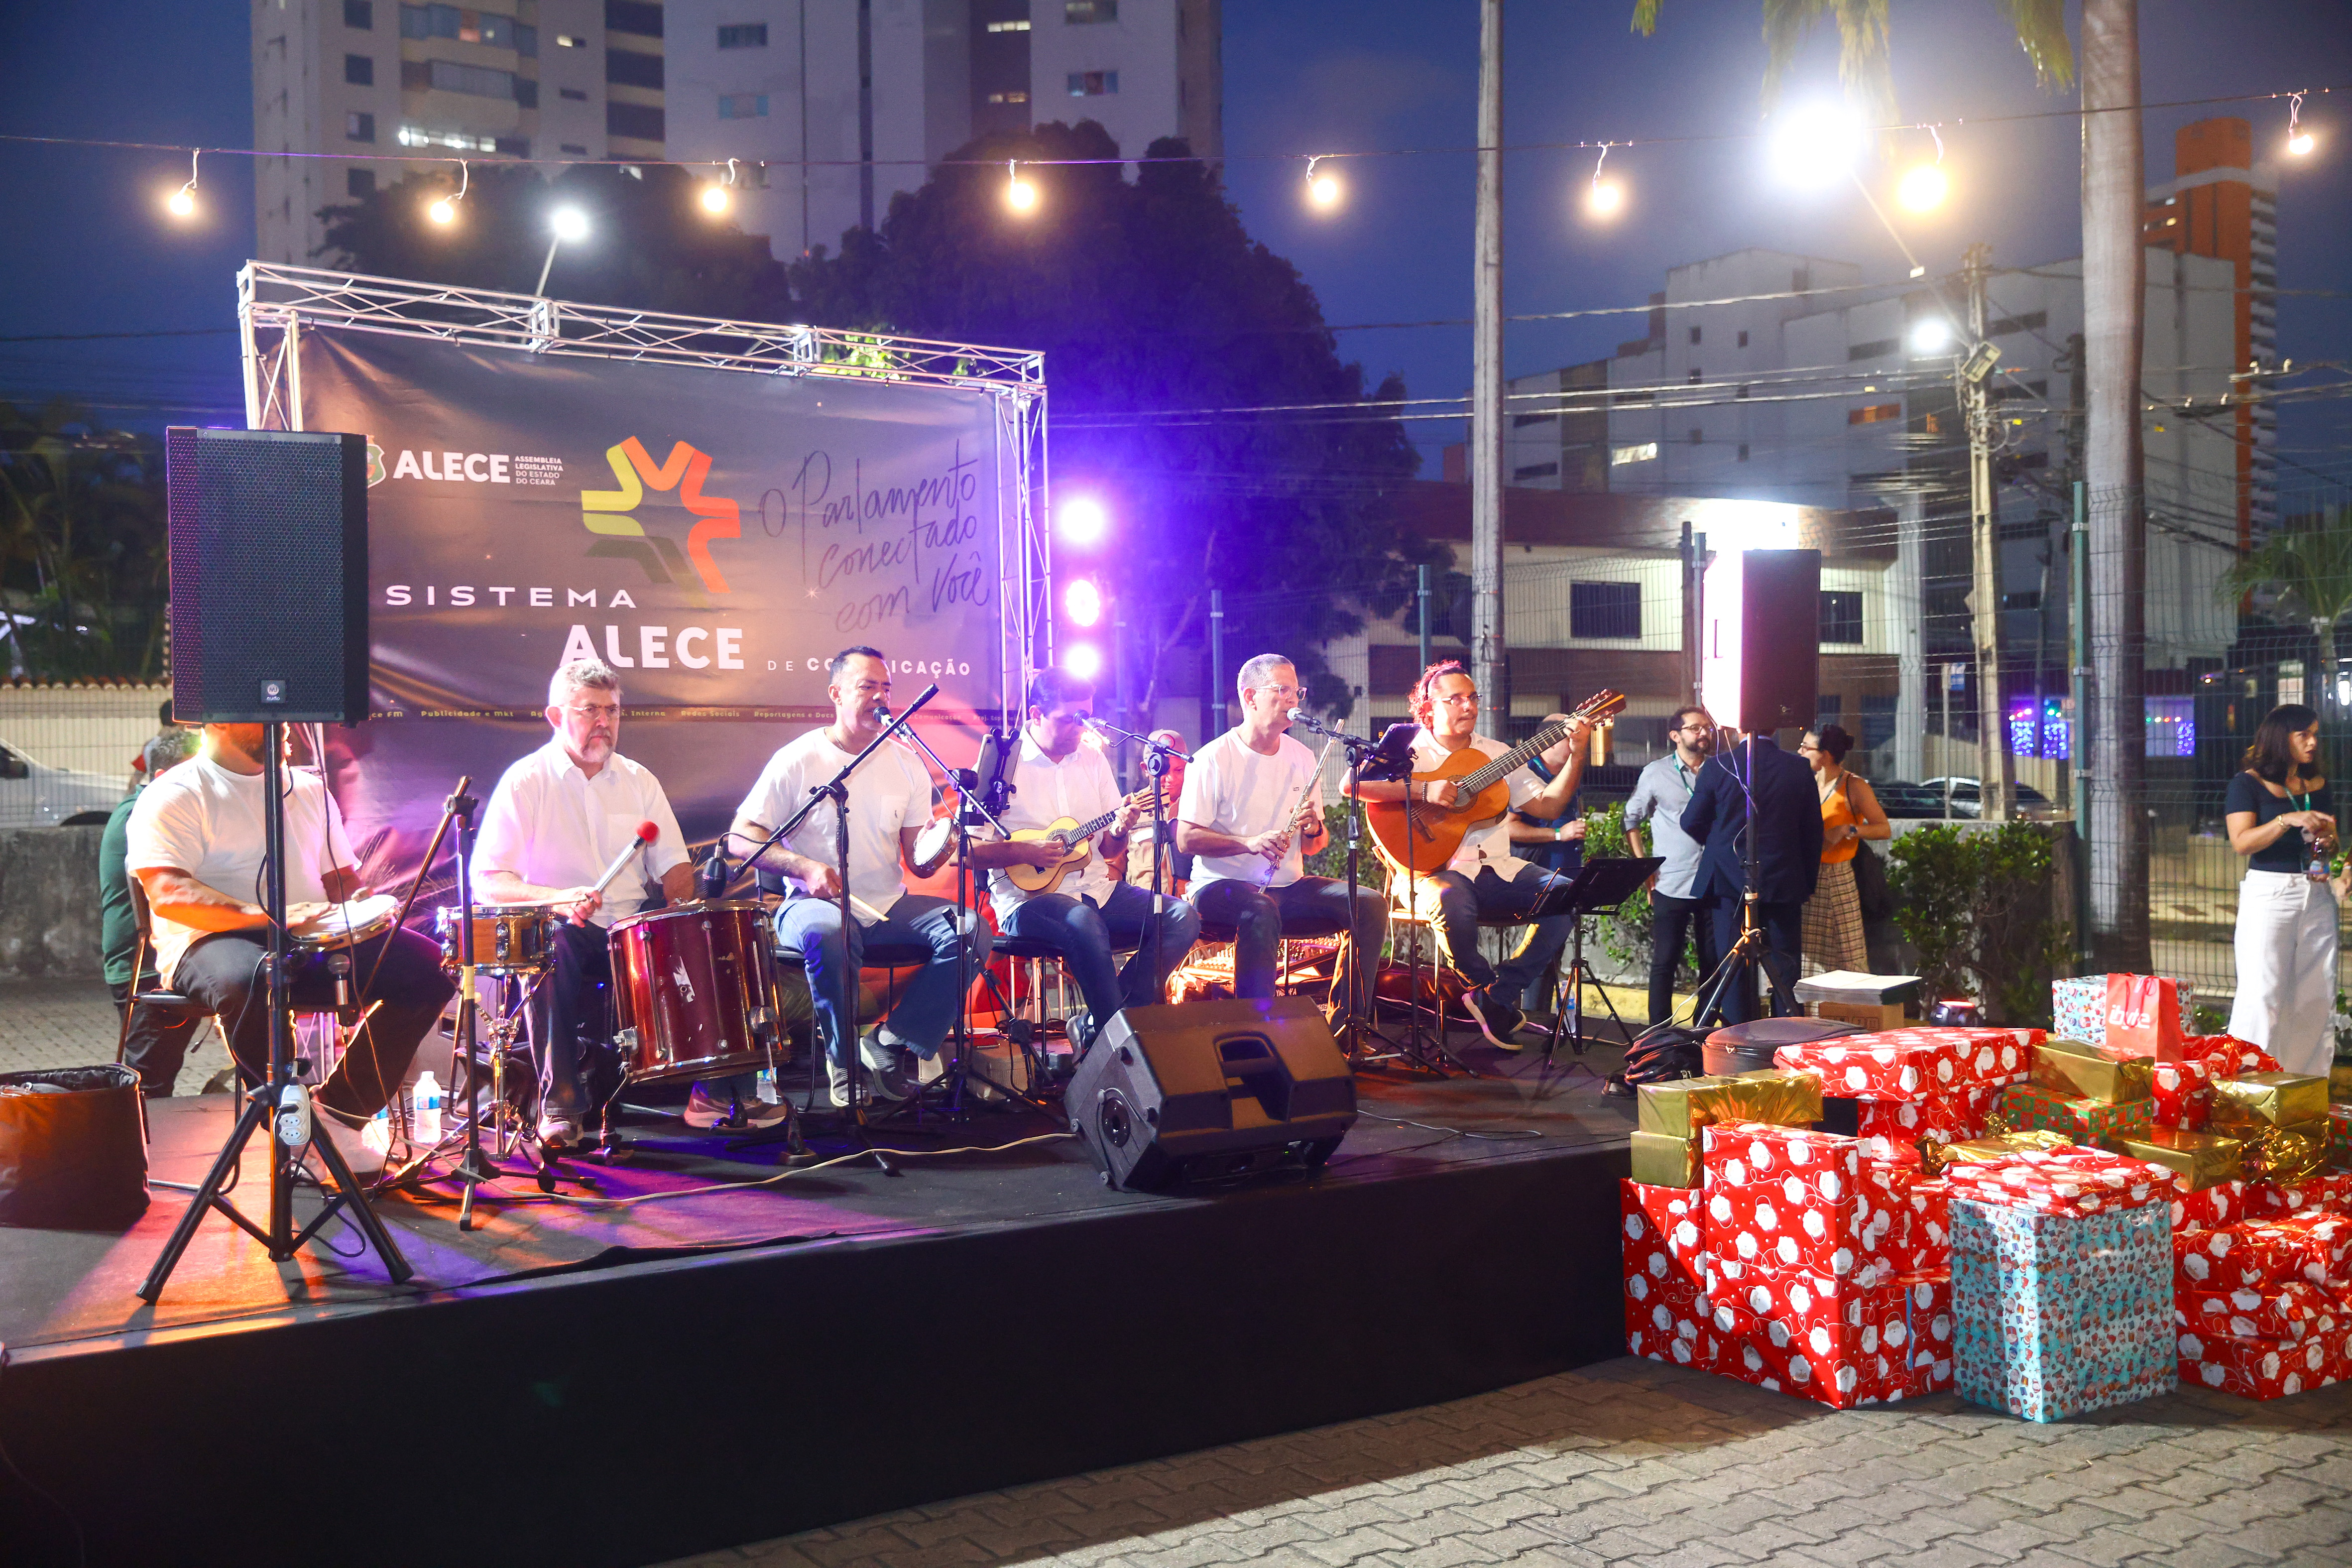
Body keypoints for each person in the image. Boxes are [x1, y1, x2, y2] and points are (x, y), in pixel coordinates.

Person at [126, 722, 455, 1139]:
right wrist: (271, 916)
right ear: (221, 720)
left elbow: (340, 879)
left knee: (430, 969)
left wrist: (361, 907)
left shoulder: (308, 788)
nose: (284, 723)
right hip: (209, 940)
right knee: (253, 978)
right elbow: (169, 893)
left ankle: (339, 1113)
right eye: (266, 711)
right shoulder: (175, 792)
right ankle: (289, 1126)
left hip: (310, 935)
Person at [728, 646, 992, 1105]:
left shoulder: (907, 761)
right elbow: (740, 837)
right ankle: (843, 1062)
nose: (880, 697)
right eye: (867, 686)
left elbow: (917, 861)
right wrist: (804, 867)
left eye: (886, 688)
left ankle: (889, 1041)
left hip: (886, 905)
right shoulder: (798, 758)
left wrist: (942, 842)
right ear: (836, 694)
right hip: (812, 905)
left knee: (971, 930)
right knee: (831, 933)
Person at [472, 658, 702, 1147]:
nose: (604, 721)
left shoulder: (639, 779)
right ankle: (560, 1104)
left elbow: (676, 869)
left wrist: (680, 911)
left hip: (631, 929)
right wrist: (558, 898)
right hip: (564, 928)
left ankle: (717, 1092)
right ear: (557, 716)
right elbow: (488, 880)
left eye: (612, 711)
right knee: (552, 946)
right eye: (590, 710)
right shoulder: (526, 780)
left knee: (704, 936)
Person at [1346, 662, 1591, 1042]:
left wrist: (1577, 755)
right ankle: (1480, 984)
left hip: (1497, 868)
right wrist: (1424, 790)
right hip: (1431, 872)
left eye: (1473, 697)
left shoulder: (1497, 753)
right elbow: (1353, 784)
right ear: (1429, 707)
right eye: (1456, 699)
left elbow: (1549, 806)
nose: (1469, 706)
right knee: (1451, 899)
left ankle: (1496, 994)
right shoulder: (1407, 748)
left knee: (1568, 895)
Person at [966, 671, 1201, 1051]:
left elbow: (1108, 850)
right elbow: (967, 851)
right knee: (1084, 922)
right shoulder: (1001, 762)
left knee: (1181, 917)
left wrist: (1121, 828)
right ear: (1036, 713)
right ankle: (1120, 1048)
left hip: (1097, 890)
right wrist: (1025, 851)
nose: (1080, 728)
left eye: (1085, 718)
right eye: (1069, 719)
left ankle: (1102, 1028)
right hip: (1027, 902)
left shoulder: (1092, 760)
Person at [1177, 654, 1387, 1006]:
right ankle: (1255, 1025)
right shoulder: (1212, 758)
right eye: (1283, 690)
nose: (1293, 700)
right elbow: (1186, 839)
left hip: (1287, 886)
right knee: (1260, 909)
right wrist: (1248, 843)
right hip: (1219, 886)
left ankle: (1348, 1021)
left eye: (1297, 691)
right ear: (1250, 697)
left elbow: (1314, 846)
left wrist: (1314, 827)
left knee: (1369, 904)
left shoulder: (1303, 756)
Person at [2224, 703, 2344, 1076]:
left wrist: (2330, 845)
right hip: (2270, 894)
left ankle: (2304, 1088)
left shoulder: (2317, 784)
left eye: (2315, 735)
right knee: (2263, 994)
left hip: (2317, 893)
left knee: (2316, 995)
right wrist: (2285, 819)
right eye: (2303, 735)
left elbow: (2332, 839)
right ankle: (2246, 1086)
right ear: (2281, 738)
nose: (2312, 743)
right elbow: (2241, 842)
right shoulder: (2247, 783)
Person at [1679, 725, 1823, 1022]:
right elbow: (1812, 831)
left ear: (1738, 726)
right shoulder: (1797, 767)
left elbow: (1691, 821)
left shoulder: (1718, 765)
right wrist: (1806, 882)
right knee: (1785, 969)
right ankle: (1786, 1036)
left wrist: (1721, 845)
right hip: (1783, 880)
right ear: (1776, 726)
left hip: (1727, 881)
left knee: (1732, 969)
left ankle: (1738, 1037)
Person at [100, 728, 200, 1096]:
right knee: (148, 1084)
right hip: (145, 968)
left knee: (153, 1078)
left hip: (155, 963)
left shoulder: (153, 808)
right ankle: (134, 1134)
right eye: (193, 777)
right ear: (162, 777)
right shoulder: (143, 814)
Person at [1624, 707, 1721, 1027]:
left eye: (1707, 727)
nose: (1704, 733)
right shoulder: (1656, 773)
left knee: (1713, 963)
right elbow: (1631, 818)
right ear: (1675, 735)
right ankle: (1658, 1033)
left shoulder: (1720, 770)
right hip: (1671, 880)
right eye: (1696, 728)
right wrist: (1644, 868)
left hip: (1714, 879)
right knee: (1665, 961)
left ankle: (1705, 1029)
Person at [1505, 712, 1589, 1015]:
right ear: (1553, 740)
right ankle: (1527, 1015)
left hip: (1567, 873)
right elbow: (1509, 828)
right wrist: (1557, 834)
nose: (1577, 743)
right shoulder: (1526, 772)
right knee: (1541, 949)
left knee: (1555, 951)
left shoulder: (1570, 771)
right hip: (1537, 876)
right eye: (1572, 737)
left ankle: (1542, 1019)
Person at [1797, 724, 1890, 977]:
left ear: (1825, 755)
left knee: (1849, 956)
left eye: (1806, 747)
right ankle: (1812, 1003)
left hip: (1838, 878)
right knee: (1810, 958)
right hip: (1808, 877)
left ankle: (1855, 1002)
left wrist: (1847, 829)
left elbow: (1883, 829)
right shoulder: (1806, 783)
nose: (1800, 751)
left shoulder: (1854, 785)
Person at [1123, 727, 1193, 897]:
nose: (1171, 779)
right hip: (1142, 905)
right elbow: (1113, 866)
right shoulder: (1130, 808)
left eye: (1179, 770)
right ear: (1146, 769)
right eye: (1163, 771)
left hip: (1189, 905)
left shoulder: (1200, 806)